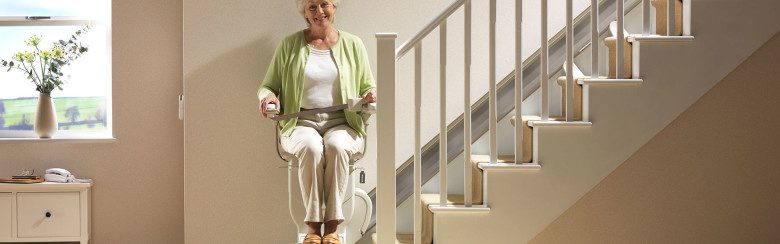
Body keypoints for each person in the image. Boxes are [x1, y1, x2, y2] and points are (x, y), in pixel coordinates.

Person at [257, 0, 376, 243]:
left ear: (335, 7)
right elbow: (267, 85)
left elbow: (368, 85)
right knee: (311, 148)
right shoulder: (289, 45)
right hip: (299, 122)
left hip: (343, 120)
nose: (319, 12)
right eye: (312, 6)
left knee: (337, 146)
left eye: (325, 4)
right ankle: (313, 227)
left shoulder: (354, 44)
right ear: (305, 12)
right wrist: (268, 96)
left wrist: (371, 95)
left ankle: (332, 227)